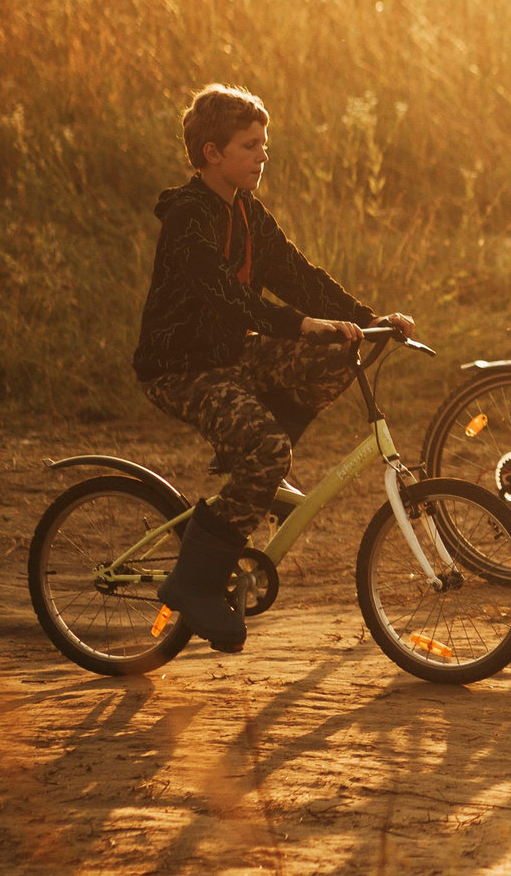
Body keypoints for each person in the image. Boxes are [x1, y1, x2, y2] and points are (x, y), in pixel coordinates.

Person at [132, 84, 410, 651]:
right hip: (180, 368)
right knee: (266, 447)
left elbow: (298, 275)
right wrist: (297, 324)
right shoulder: (189, 217)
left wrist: (369, 318)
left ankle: (256, 468)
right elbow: (223, 296)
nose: (263, 155)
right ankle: (194, 582)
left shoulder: (246, 211)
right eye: (250, 145)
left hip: (231, 358)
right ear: (212, 153)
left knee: (337, 349)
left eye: (265, 144)